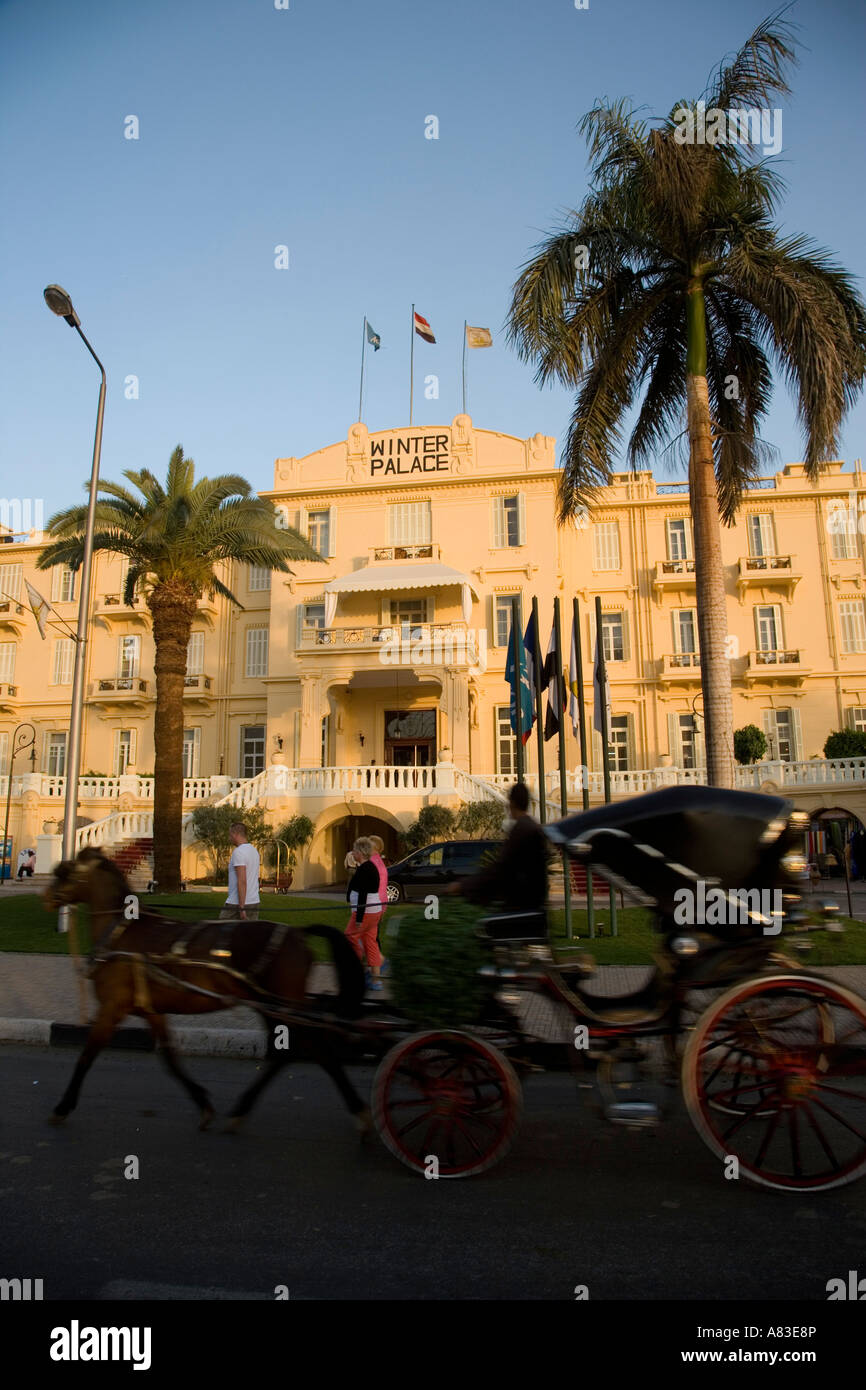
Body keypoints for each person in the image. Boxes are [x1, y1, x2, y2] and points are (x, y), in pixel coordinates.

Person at [451, 782, 550, 912]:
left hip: (521, 908)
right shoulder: (531, 826)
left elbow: (501, 868)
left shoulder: (522, 829)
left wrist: (462, 886)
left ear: (512, 803)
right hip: (531, 907)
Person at [345, 836, 384, 989]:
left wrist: (359, 918)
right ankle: (376, 981)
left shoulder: (365, 869)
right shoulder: (368, 867)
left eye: (354, 851)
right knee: (370, 942)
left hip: (365, 911)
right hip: (374, 911)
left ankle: (356, 975)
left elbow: (363, 894)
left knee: (350, 937)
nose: (352, 853)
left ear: (360, 852)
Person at [221, 822, 260, 921]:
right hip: (254, 901)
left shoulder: (239, 852)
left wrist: (242, 908)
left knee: (221, 932)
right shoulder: (254, 851)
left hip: (236, 903)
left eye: (230, 835)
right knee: (247, 935)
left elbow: (242, 880)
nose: (229, 838)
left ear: (235, 834)